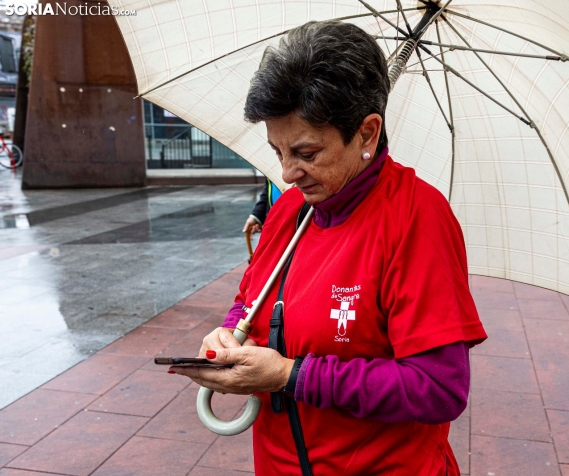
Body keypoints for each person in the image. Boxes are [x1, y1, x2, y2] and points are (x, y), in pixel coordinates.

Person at [169, 21, 487, 475]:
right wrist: (229, 332)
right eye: (277, 151)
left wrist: (289, 376)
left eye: (306, 153)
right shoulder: (289, 212)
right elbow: (250, 301)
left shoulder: (417, 218)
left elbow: (438, 388)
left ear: (367, 133)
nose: (287, 173)